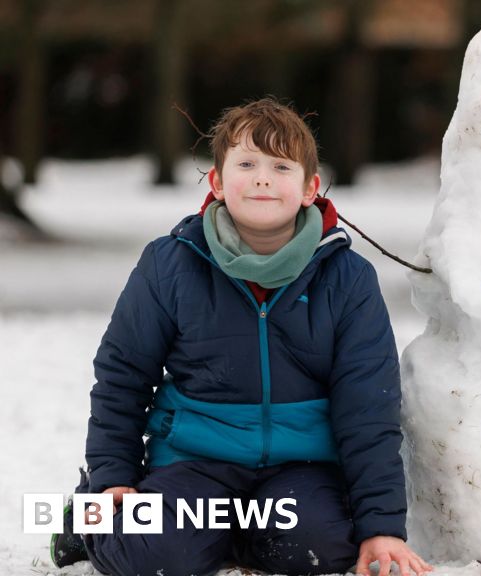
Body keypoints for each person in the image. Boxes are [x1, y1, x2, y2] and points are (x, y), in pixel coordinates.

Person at [51, 97, 432, 576]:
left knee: (321, 548)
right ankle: (90, 518)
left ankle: (231, 537)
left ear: (310, 187)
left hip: (301, 469)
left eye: (280, 166)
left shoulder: (348, 278)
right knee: (153, 555)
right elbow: (122, 376)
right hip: (194, 462)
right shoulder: (170, 264)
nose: (262, 177)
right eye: (246, 162)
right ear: (216, 181)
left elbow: (368, 406)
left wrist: (382, 527)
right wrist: (111, 479)